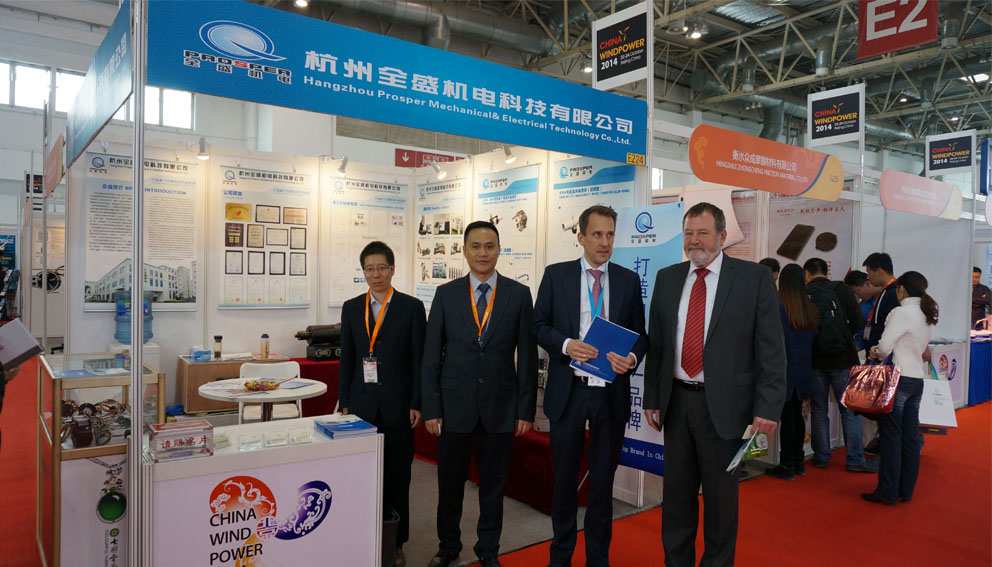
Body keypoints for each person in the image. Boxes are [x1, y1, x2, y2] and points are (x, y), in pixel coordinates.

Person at [644, 202, 786, 567]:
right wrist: (651, 397)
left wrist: (768, 407)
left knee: (721, 503)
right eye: (688, 233)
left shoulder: (753, 278)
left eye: (702, 233)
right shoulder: (668, 277)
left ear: (722, 235)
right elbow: (657, 344)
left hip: (727, 408)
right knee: (676, 498)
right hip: (677, 404)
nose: (694, 241)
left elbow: (772, 350)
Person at [533, 205, 648, 567]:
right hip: (569, 392)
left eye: (610, 234)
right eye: (597, 234)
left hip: (609, 394)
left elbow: (641, 336)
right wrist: (567, 345)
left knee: (601, 485)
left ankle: (598, 558)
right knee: (565, 482)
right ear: (581, 237)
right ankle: (560, 557)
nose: (604, 242)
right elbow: (538, 326)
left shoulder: (628, 280)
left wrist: (632, 359)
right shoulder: (557, 276)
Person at [421, 221, 538, 567]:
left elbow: (527, 356)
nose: (483, 253)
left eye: (489, 246)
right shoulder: (446, 294)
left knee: (493, 487)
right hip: (453, 405)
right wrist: (431, 408)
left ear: (499, 250)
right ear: (464, 251)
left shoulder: (518, 295)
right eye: (475, 246)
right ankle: (448, 546)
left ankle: (488, 550)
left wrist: (525, 409)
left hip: (500, 406)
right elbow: (431, 355)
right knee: (450, 485)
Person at [338, 241, 426, 567]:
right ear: (363, 272)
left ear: (392, 269)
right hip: (361, 406)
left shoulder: (411, 307)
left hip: (399, 406)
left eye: (381, 268)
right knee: (361, 475)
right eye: (369, 269)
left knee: (398, 476)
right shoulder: (351, 308)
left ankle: (397, 542)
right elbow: (347, 359)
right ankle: (364, 533)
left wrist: (418, 402)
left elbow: (419, 360)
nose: (376, 274)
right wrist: (345, 402)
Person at [863, 271, 939, 505]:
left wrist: (875, 351)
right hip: (916, 379)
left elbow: (884, 348)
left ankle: (887, 491)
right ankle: (905, 490)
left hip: (898, 379)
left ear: (902, 289)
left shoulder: (901, 312)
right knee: (910, 438)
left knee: (891, 437)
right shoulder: (925, 312)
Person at [803, 257, 874, 473]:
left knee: (819, 408)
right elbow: (858, 322)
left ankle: (821, 457)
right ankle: (855, 459)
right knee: (849, 409)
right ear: (826, 271)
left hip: (815, 359)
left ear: (807, 273)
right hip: (843, 358)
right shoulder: (842, 290)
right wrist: (844, 336)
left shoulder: (804, 293)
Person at [765, 264, 818, 481]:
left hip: (784, 369)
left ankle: (786, 464)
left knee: (787, 417)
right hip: (803, 369)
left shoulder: (779, 308)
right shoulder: (809, 308)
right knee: (797, 416)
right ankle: (797, 462)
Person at [862, 252, 900, 352]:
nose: (868, 277)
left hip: (883, 352)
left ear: (879, 272)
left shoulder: (893, 293)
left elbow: (891, 325)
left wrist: (879, 350)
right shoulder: (886, 291)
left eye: (869, 273)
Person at [843, 270, 881, 351]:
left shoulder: (890, 296)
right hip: (871, 350)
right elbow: (861, 332)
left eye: (857, 292)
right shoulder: (863, 306)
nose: (858, 296)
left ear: (867, 283)